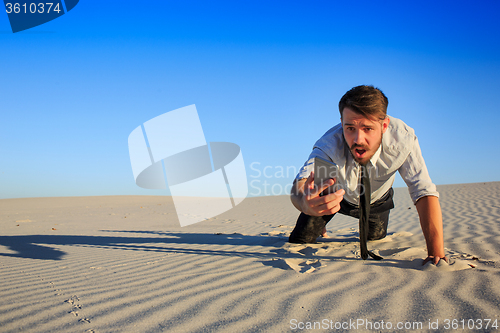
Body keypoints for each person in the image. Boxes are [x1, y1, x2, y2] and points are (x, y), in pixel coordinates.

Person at [289, 85, 446, 265]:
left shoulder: (403, 140)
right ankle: (321, 221)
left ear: (384, 125)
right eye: (350, 128)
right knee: (299, 240)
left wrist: (436, 254)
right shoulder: (329, 145)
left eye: (368, 128)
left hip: (376, 200)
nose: (358, 139)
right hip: (335, 198)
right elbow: (300, 184)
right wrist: (305, 203)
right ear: (341, 123)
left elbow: (423, 190)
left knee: (376, 237)